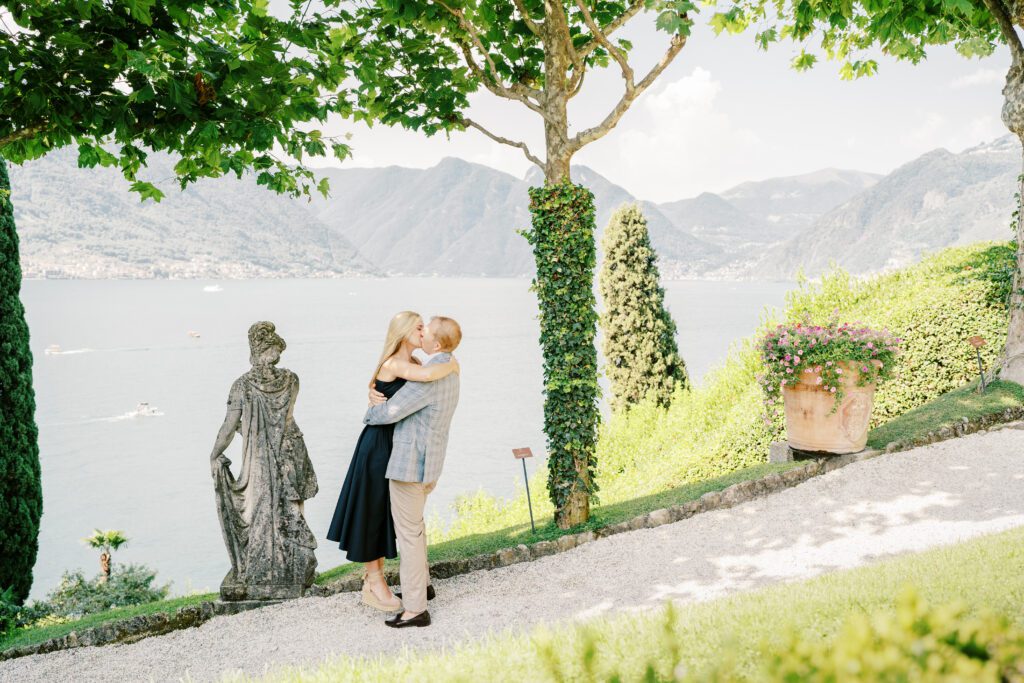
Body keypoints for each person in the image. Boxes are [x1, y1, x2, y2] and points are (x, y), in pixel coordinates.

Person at [326, 311, 459, 611]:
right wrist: (451, 361)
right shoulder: (395, 364)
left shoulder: (415, 363)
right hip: (378, 444)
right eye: (419, 327)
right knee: (372, 512)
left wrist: (446, 361)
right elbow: (426, 379)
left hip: (397, 446)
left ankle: (397, 581)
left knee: (389, 514)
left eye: (425, 327)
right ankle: (374, 582)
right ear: (403, 333)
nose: (423, 331)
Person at [364, 315, 462, 628]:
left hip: (410, 467)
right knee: (417, 528)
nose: (422, 333)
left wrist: (371, 407)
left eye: (426, 330)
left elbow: (387, 414)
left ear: (435, 343)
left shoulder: (428, 380)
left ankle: (415, 608)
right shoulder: (450, 367)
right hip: (431, 462)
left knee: (409, 537)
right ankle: (425, 586)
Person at [209, 321, 319, 600]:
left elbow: (229, 426)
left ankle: (267, 572)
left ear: (254, 352)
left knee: (261, 509)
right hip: (291, 451)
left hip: (261, 456)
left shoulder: (242, 386)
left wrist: (213, 454)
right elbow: (283, 417)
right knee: (293, 508)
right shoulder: (292, 379)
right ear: (275, 350)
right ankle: (294, 568)